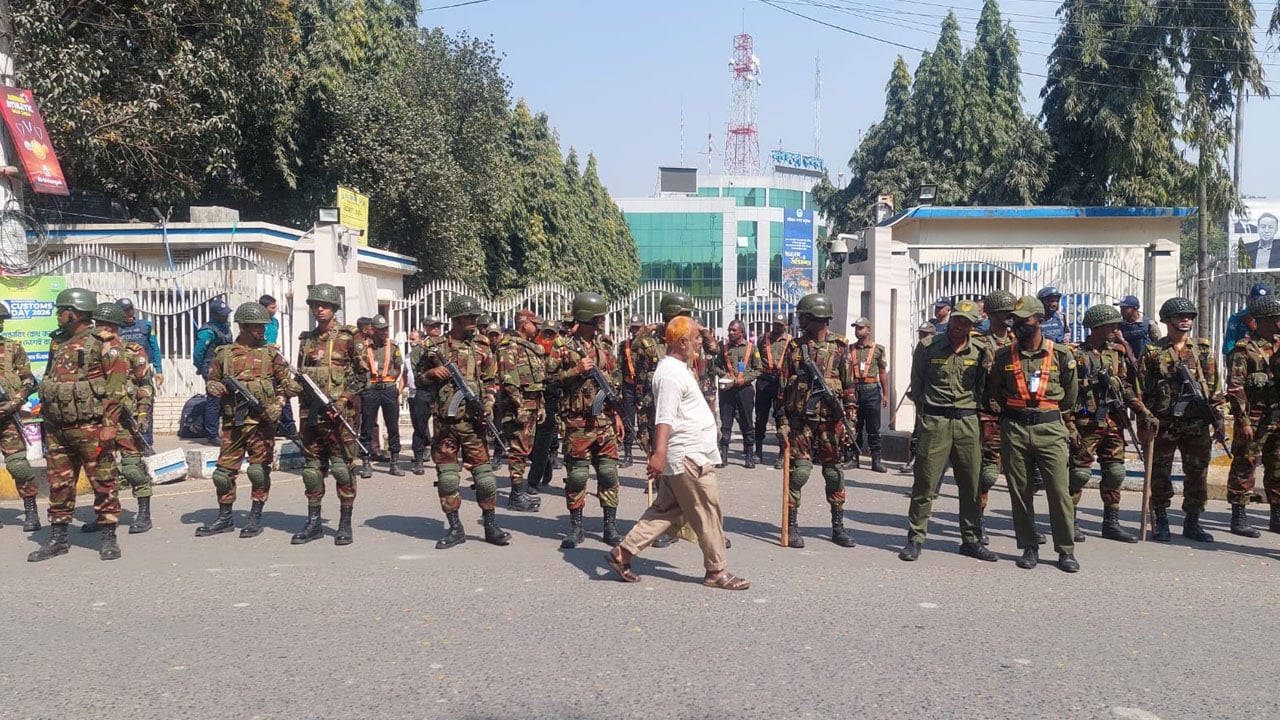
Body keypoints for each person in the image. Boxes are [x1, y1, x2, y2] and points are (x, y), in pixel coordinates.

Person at [604, 316, 749, 590]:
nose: (699, 342)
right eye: (695, 338)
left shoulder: (679, 368)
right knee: (708, 509)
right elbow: (664, 416)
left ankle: (621, 554)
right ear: (682, 342)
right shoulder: (670, 374)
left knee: (666, 510)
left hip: (686, 455)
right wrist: (658, 454)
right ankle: (716, 570)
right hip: (688, 456)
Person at [29, 288, 129, 562]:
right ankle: (58, 539)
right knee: (59, 484)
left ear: (75, 313)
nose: (58, 315)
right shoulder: (57, 341)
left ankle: (108, 538)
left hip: (92, 428)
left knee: (103, 481)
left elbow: (116, 387)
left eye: (61, 310)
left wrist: (110, 424)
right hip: (57, 428)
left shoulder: (104, 341)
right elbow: (51, 378)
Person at [985, 295, 1080, 572]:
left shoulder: (1061, 354)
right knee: (1020, 491)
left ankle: (1065, 550)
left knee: (1058, 491)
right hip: (1014, 428)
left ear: (1039, 320)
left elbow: (1070, 396)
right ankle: (1028, 546)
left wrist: (1047, 413)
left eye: (1023, 320)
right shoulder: (1004, 355)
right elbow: (996, 392)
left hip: (1050, 429)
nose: (1017, 326)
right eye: (1014, 320)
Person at [899, 299, 993, 562]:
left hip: (967, 422)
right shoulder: (928, 346)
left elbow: (982, 388)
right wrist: (927, 417)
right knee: (925, 482)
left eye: (966, 323)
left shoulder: (980, 351)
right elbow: (917, 384)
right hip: (936, 421)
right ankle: (915, 538)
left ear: (973, 325)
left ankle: (971, 539)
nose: (959, 326)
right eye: (956, 320)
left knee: (971, 484)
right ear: (950, 319)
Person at [197, 302, 300, 538]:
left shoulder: (271, 354)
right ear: (243, 326)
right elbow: (212, 380)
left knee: (258, 471)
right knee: (223, 474)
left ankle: (255, 516)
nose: (262, 331)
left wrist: (278, 404)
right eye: (257, 327)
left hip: (262, 424)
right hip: (233, 424)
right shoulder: (224, 354)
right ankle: (225, 517)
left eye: (263, 326)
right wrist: (213, 387)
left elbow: (287, 385)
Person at [416, 294, 511, 549]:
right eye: (469, 317)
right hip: (445, 425)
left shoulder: (481, 347)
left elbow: (490, 382)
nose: (474, 321)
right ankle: (455, 528)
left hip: (473, 424)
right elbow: (418, 380)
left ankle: (490, 525)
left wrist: (488, 404)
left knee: (485, 478)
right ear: (456, 319)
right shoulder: (436, 347)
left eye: (475, 317)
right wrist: (431, 373)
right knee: (448, 478)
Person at [1140, 297, 1226, 542]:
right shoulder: (1153, 352)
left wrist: (1219, 419)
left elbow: (1214, 388)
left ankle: (1192, 521)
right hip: (1164, 424)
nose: (1186, 320)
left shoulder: (1202, 351)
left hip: (1196, 424)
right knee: (1159, 473)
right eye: (1180, 316)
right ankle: (1161, 518)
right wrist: (1144, 422)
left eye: (1189, 316)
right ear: (1167, 320)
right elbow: (1140, 391)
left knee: (1197, 474)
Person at [1068, 304, 1156, 544]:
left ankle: (1111, 522)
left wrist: (1143, 411)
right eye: (1111, 326)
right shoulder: (1076, 354)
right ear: (1096, 327)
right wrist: (1069, 424)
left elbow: (1125, 386)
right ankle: (1069, 520)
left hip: (1114, 422)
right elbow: (1066, 393)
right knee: (1078, 474)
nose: (1116, 329)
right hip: (1086, 422)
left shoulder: (1117, 352)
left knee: (1115, 472)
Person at [776, 292, 858, 549]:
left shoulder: (840, 347)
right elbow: (782, 389)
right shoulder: (795, 348)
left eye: (804, 317)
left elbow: (849, 387)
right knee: (799, 472)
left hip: (831, 422)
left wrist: (851, 421)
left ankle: (838, 526)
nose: (800, 320)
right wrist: (782, 422)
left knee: (834, 473)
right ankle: (791, 525)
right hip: (801, 421)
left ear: (817, 319)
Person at [292, 284, 370, 546]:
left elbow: (363, 376)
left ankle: (344, 523)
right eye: (315, 305)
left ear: (334, 308)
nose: (319, 309)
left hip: (339, 417)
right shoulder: (307, 339)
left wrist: (344, 397)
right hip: (310, 416)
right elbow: (301, 376)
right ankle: (313, 522)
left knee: (341, 470)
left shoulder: (349, 337)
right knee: (312, 471)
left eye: (324, 305)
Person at [553, 292, 624, 549]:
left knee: (608, 473)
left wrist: (617, 416)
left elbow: (614, 381)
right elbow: (548, 380)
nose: (601, 322)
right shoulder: (564, 347)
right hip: (577, 422)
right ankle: (576, 527)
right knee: (577, 475)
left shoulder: (604, 347)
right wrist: (575, 371)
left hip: (604, 421)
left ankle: (609, 527)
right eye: (598, 318)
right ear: (586, 318)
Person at [87, 302, 156, 535]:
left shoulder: (133, 351)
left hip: (126, 419)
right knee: (101, 469)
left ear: (116, 326)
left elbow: (145, 386)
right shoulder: (89, 352)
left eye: (106, 325)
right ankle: (105, 515)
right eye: (98, 324)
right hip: (98, 418)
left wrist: (143, 414)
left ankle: (144, 513)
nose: (101, 329)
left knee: (131, 469)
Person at [1224, 294, 1280, 538]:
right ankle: (1239, 516)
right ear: (1264, 321)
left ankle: (1276, 515)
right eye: (1277, 319)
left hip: (1277, 416)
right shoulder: (1244, 350)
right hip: (1254, 418)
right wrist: (1244, 420)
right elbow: (1235, 388)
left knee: (1277, 466)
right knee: (1245, 465)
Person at [975, 290, 1016, 539]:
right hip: (989, 413)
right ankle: (977, 519)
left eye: (1011, 312)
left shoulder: (1019, 341)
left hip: (1018, 413)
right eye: (1004, 313)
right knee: (988, 472)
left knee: (1021, 473)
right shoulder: (979, 342)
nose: (1009, 316)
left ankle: (1024, 522)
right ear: (991, 315)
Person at [499, 309, 548, 513]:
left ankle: (518, 491)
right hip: (518, 409)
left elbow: (538, 381)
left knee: (525, 450)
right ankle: (516, 495)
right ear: (524, 324)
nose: (537, 328)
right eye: (534, 324)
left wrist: (541, 406)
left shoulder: (529, 348)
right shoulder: (509, 347)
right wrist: (520, 407)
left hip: (531, 407)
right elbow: (509, 382)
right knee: (518, 451)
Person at [0, 301, 39, 532]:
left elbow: (29, 380)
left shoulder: (13, 348)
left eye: (1, 320)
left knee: (18, 466)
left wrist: (14, 402)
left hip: (8, 415)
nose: (0, 324)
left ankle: (31, 511)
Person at [358, 315, 405, 478]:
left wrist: (390, 380)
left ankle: (395, 462)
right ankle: (365, 462)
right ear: (373, 330)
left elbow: (398, 368)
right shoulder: (364, 347)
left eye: (386, 329)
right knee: (367, 426)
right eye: (381, 329)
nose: (384, 332)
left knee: (393, 426)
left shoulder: (393, 347)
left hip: (388, 389)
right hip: (370, 390)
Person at [116, 297, 162, 446]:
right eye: (125, 311)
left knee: (145, 405)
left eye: (130, 309)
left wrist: (159, 370)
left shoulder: (146, 326)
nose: (129, 313)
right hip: (122, 376)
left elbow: (154, 347)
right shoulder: (115, 329)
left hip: (142, 374)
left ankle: (147, 442)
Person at [715, 319, 761, 468]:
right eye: (729, 330)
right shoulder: (723, 348)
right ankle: (723, 455)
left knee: (747, 421)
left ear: (742, 331)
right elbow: (715, 366)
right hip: (728, 390)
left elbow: (758, 369)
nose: (731, 332)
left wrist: (745, 379)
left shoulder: (751, 348)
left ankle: (749, 454)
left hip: (745, 389)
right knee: (726, 422)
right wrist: (724, 375)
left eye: (734, 330)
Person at [526, 319, 565, 493]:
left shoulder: (563, 350)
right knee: (527, 441)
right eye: (546, 332)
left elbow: (565, 375)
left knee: (542, 441)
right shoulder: (531, 347)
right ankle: (545, 464)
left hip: (550, 399)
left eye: (551, 333)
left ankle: (533, 482)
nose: (548, 336)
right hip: (531, 398)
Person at [849, 317, 888, 473]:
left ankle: (876, 460)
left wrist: (885, 394)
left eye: (861, 328)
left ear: (868, 330)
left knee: (873, 428)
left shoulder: (878, 349)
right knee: (854, 426)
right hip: (855, 392)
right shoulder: (850, 349)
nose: (857, 331)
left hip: (871, 391)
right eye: (856, 328)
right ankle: (854, 458)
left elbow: (883, 372)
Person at [899, 321, 938, 476]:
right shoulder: (921, 348)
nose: (923, 336)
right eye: (921, 333)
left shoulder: (939, 347)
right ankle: (914, 458)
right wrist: (916, 395)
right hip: (923, 396)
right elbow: (916, 374)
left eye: (925, 334)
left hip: (937, 396)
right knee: (919, 428)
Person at [194, 298, 233, 445]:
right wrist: (201, 367)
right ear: (214, 314)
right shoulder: (208, 331)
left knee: (228, 399)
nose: (226, 316)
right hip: (211, 368)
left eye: (226, 314)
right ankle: (212, 434)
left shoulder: (226, 328)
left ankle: (228, 431)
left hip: (226, 368)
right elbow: (198, 353)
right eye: (223, 314)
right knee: (214, 400)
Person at [755, 313, 791, 469]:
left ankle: (782, 454)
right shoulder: (763, 339)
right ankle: (758, 451)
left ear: (785, 326)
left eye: (780, 325)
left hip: (781, 381)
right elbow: (756, 357)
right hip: (764, 379)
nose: (777, 327)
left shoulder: (790, 341)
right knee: (761, 416)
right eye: (775, 324)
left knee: (781, 417)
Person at [408, 318, 444, 474]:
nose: (436, 329)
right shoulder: (419, 349)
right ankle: (418, 459)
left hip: (441, 391)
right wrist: (431, 372)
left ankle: (443, 460)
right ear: (426, 328)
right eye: (433, 326)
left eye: (438, 326)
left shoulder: (445, 345)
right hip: (424, 390)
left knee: (443, 428)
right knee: (420, 427)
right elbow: (417, 374)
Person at [259, 294, 297, 439]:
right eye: (272, 307)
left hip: (275, 359)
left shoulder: (274, 322)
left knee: (284, 390)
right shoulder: (258, 323)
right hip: (262, 361)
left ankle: (289, 427)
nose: (275, 310)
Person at [618, 315, 644, 467]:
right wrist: (619, 387)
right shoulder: (625, 345)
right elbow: (620, 367)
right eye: (633, 328)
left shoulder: (648, 345)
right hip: (629, 386)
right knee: (628, 420)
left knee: (646, 422)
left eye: (638, 328)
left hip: (644, 387)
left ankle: (651, 454)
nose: (635, 331)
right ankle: (628, 454)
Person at [1223, 283, 1270, 355]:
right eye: (1257, 301)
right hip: (1243, 358)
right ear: (1250, 299)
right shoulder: (1237, 318)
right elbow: (1229, 347)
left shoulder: (1273, 319)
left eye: (1264, 301)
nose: (1260, 304)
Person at [1116, 295, 1160, 360]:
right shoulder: (1120, 326)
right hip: (1128, 363)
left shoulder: (1149, 324)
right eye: (1121, 308)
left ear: (1136, 308)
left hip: (1147, 362)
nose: (1122, 311)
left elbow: (1158, 344)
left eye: (1125, 308)